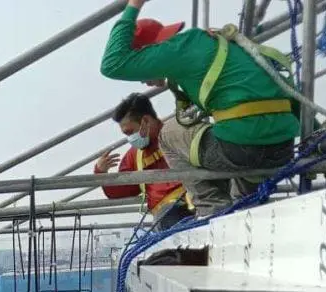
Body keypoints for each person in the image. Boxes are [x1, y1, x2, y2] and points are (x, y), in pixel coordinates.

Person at [100, 0, 300, 217]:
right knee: (231, 138)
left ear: (150, 51)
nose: (142, 79)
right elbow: (288, 92)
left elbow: (112, 63)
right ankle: (247, 206)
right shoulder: (212, 46)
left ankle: (211, 209)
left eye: (141, 67)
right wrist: (313, 137)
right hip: (283, 149)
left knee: (168, 133)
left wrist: (134, 5)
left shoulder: (175, 51)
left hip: (242, 150)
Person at [95, 93, 194, 230]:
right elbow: (120, 190)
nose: (130, 138)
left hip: (194, 202)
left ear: (146, 120)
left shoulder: (177, 133)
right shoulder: (134, 156)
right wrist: (101, 172)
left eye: (130, 132)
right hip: (166, 217)